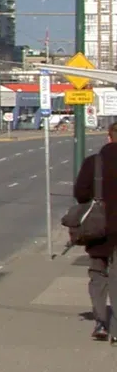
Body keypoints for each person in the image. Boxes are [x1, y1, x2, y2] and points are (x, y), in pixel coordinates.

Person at [71, 122, 117, 340]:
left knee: (98, 274)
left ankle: (101, 322)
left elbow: (80, 194)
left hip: (100, 228)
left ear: (109, 137)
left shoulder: (94, 162)